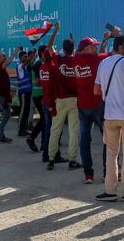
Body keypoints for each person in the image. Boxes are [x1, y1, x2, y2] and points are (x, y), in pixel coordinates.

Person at [94, 34, 124, 202]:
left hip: (109, 115)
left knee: (111, 154)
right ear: (122, 48)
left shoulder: (103, 63)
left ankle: (109, 191)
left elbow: (96, 90)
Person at [46, 23, 81, 170]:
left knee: (55, 129)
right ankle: (72, 160)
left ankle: (51, 159)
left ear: (63, 48)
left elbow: (49, 47)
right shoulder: (77, 60)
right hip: (74, 100)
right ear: (73, 48)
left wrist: (56, 30)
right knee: (73, 131)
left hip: (60, 99)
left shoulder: (58, 60)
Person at [74, 36, 108, 183]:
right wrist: (113, 37)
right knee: (108, 139)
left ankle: (88, 174)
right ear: (85, 49)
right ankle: (109, 172)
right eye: (92, 46)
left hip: (82, 105)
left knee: (84, 141)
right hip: (97, 105)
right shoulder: (94, 60)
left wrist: (104, 41)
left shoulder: (76, 59)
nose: (95, 48)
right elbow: (110, 56)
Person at [28, 46, 49, 153]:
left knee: (45, 119)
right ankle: (32, 138)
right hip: (39, 94)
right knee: (45, 119)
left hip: (41, 94)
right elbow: (37, 81)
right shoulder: (39, 64)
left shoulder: (42, 63)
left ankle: (43, 143)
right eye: (47, 52)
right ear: (42, 54)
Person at [0, 50, 16, 144]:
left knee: (4, 115)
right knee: (4, 115)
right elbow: (7, 63)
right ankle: (0, 135)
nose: (5, 57)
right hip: (1, 96)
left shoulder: (0, 67)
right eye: (3, 56)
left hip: (3, 96)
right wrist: (15, 53)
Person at [16, 51, 34, 137]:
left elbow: (29, 62)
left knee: (26, 111)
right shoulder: (20, 66)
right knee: (23, 112)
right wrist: (32, 54)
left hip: (27, 92)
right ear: (20, 58)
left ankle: (24, 129)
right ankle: (20, 130)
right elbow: (27, 62)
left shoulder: (25, 67)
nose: (26, 58)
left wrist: (33, 55)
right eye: (24, 57)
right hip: (23, 93)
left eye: (27, 57)